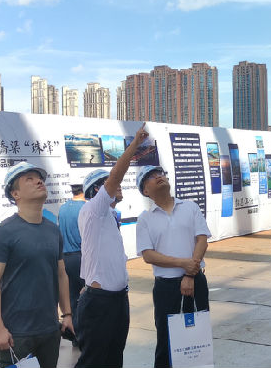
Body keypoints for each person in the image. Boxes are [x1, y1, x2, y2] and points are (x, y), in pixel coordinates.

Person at [0, 162, 73, 368]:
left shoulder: (52, 230)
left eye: (39, 178)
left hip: (50, 330)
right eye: (29, 179)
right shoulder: (3, 233)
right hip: (16, 334)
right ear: (15, 194)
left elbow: (61, 274)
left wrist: (67, 314)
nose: (38, 181)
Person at [74, 123, 148, 368]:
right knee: (94, 362)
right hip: (100, 303)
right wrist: (134, 145)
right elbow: (117, 173)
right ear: (98, 190)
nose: (119, 185)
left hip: (117, 300)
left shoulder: (108, 217)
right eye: (110, 183)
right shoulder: (93, 210)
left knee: (114, 358)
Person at [137, 164, 212, 368]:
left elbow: (202, 240)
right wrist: (182, 263)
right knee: (166, 339)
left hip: (195, 282)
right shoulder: (145, 219)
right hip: (166, 288)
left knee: (198, 336)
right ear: (145, 190)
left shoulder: (190, 207)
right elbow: (148, 255)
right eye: (151, 176)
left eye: (160, 173)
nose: (158, 177)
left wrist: (189, 275)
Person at [58, 175, 88, 339]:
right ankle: (85, 334)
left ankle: (75, 334)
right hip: (81, 257)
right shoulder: (85, 208)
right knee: (87, 296)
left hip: (66, 258)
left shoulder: (63, 208)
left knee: (72, 297)